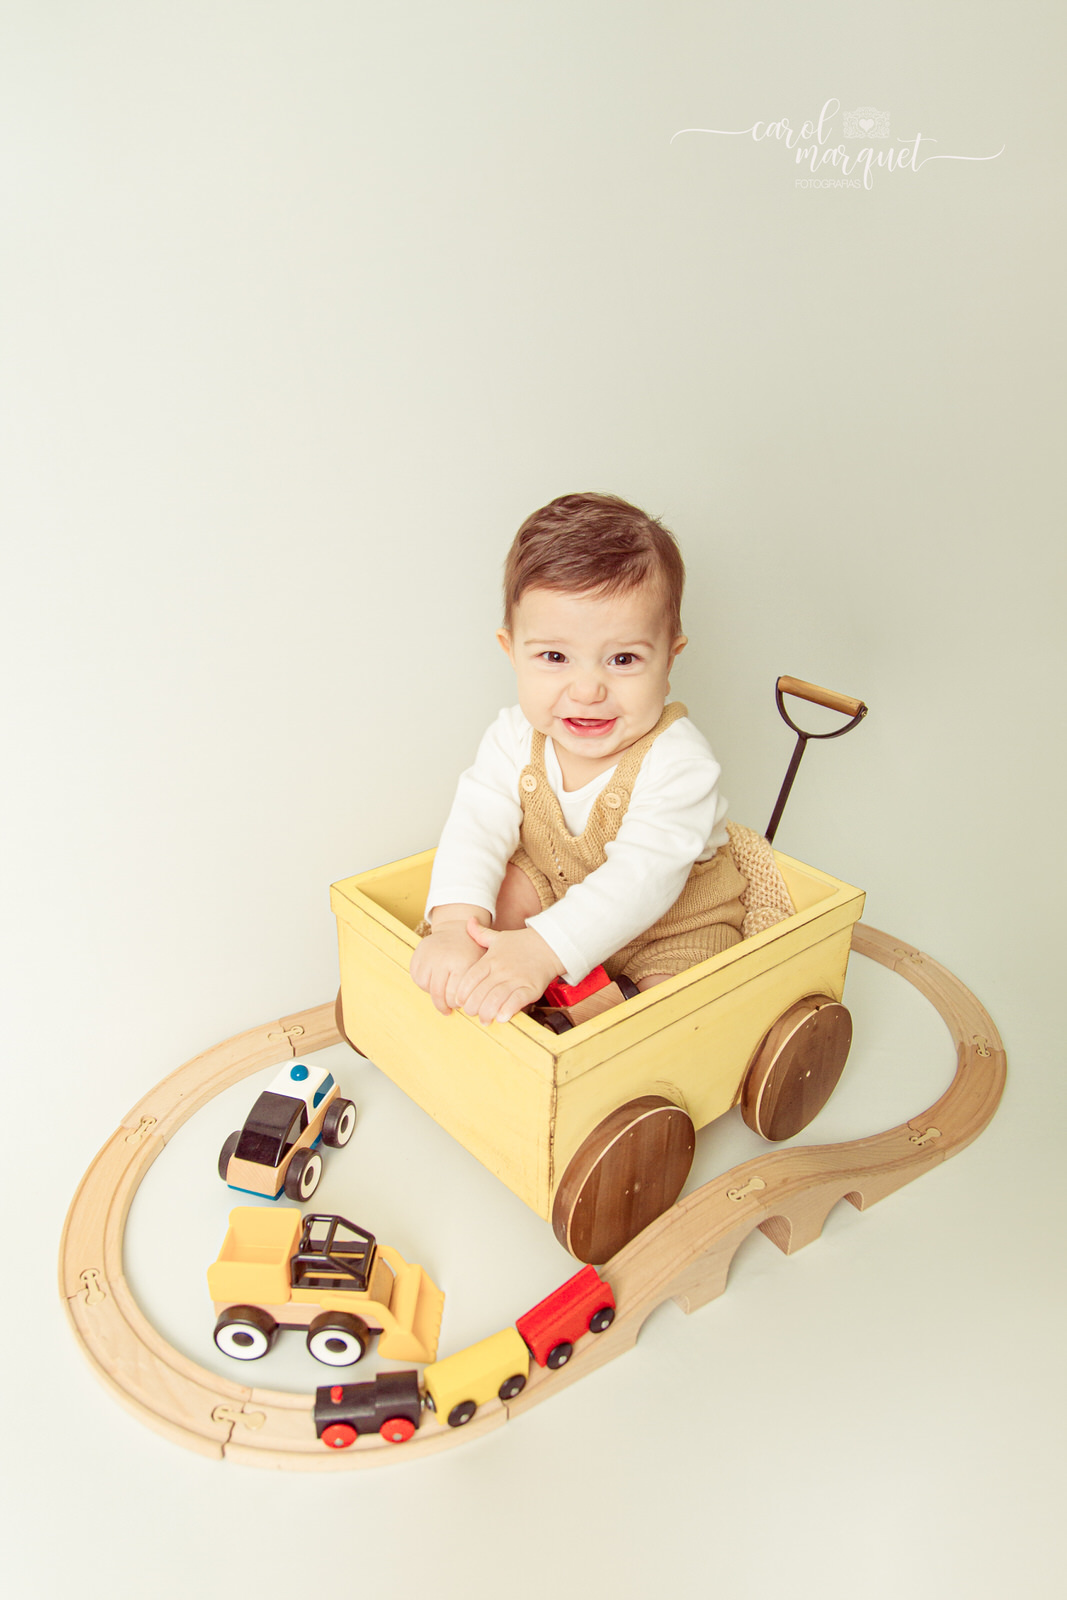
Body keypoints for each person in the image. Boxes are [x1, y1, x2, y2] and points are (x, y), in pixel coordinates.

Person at [410, 492, 749, 1026]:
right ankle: (475, 982)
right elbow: (475, 827)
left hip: (671, 923)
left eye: (623, 659)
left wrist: (542, 951)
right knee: (496, 892)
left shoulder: (680, 763)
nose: (588, 689)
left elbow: (641, 880)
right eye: (553, 656)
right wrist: (456, 923)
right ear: (511, 650)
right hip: (556, 889)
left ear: (669, 658)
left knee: (673, 1001)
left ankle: (602, 1009)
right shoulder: (514, 737)